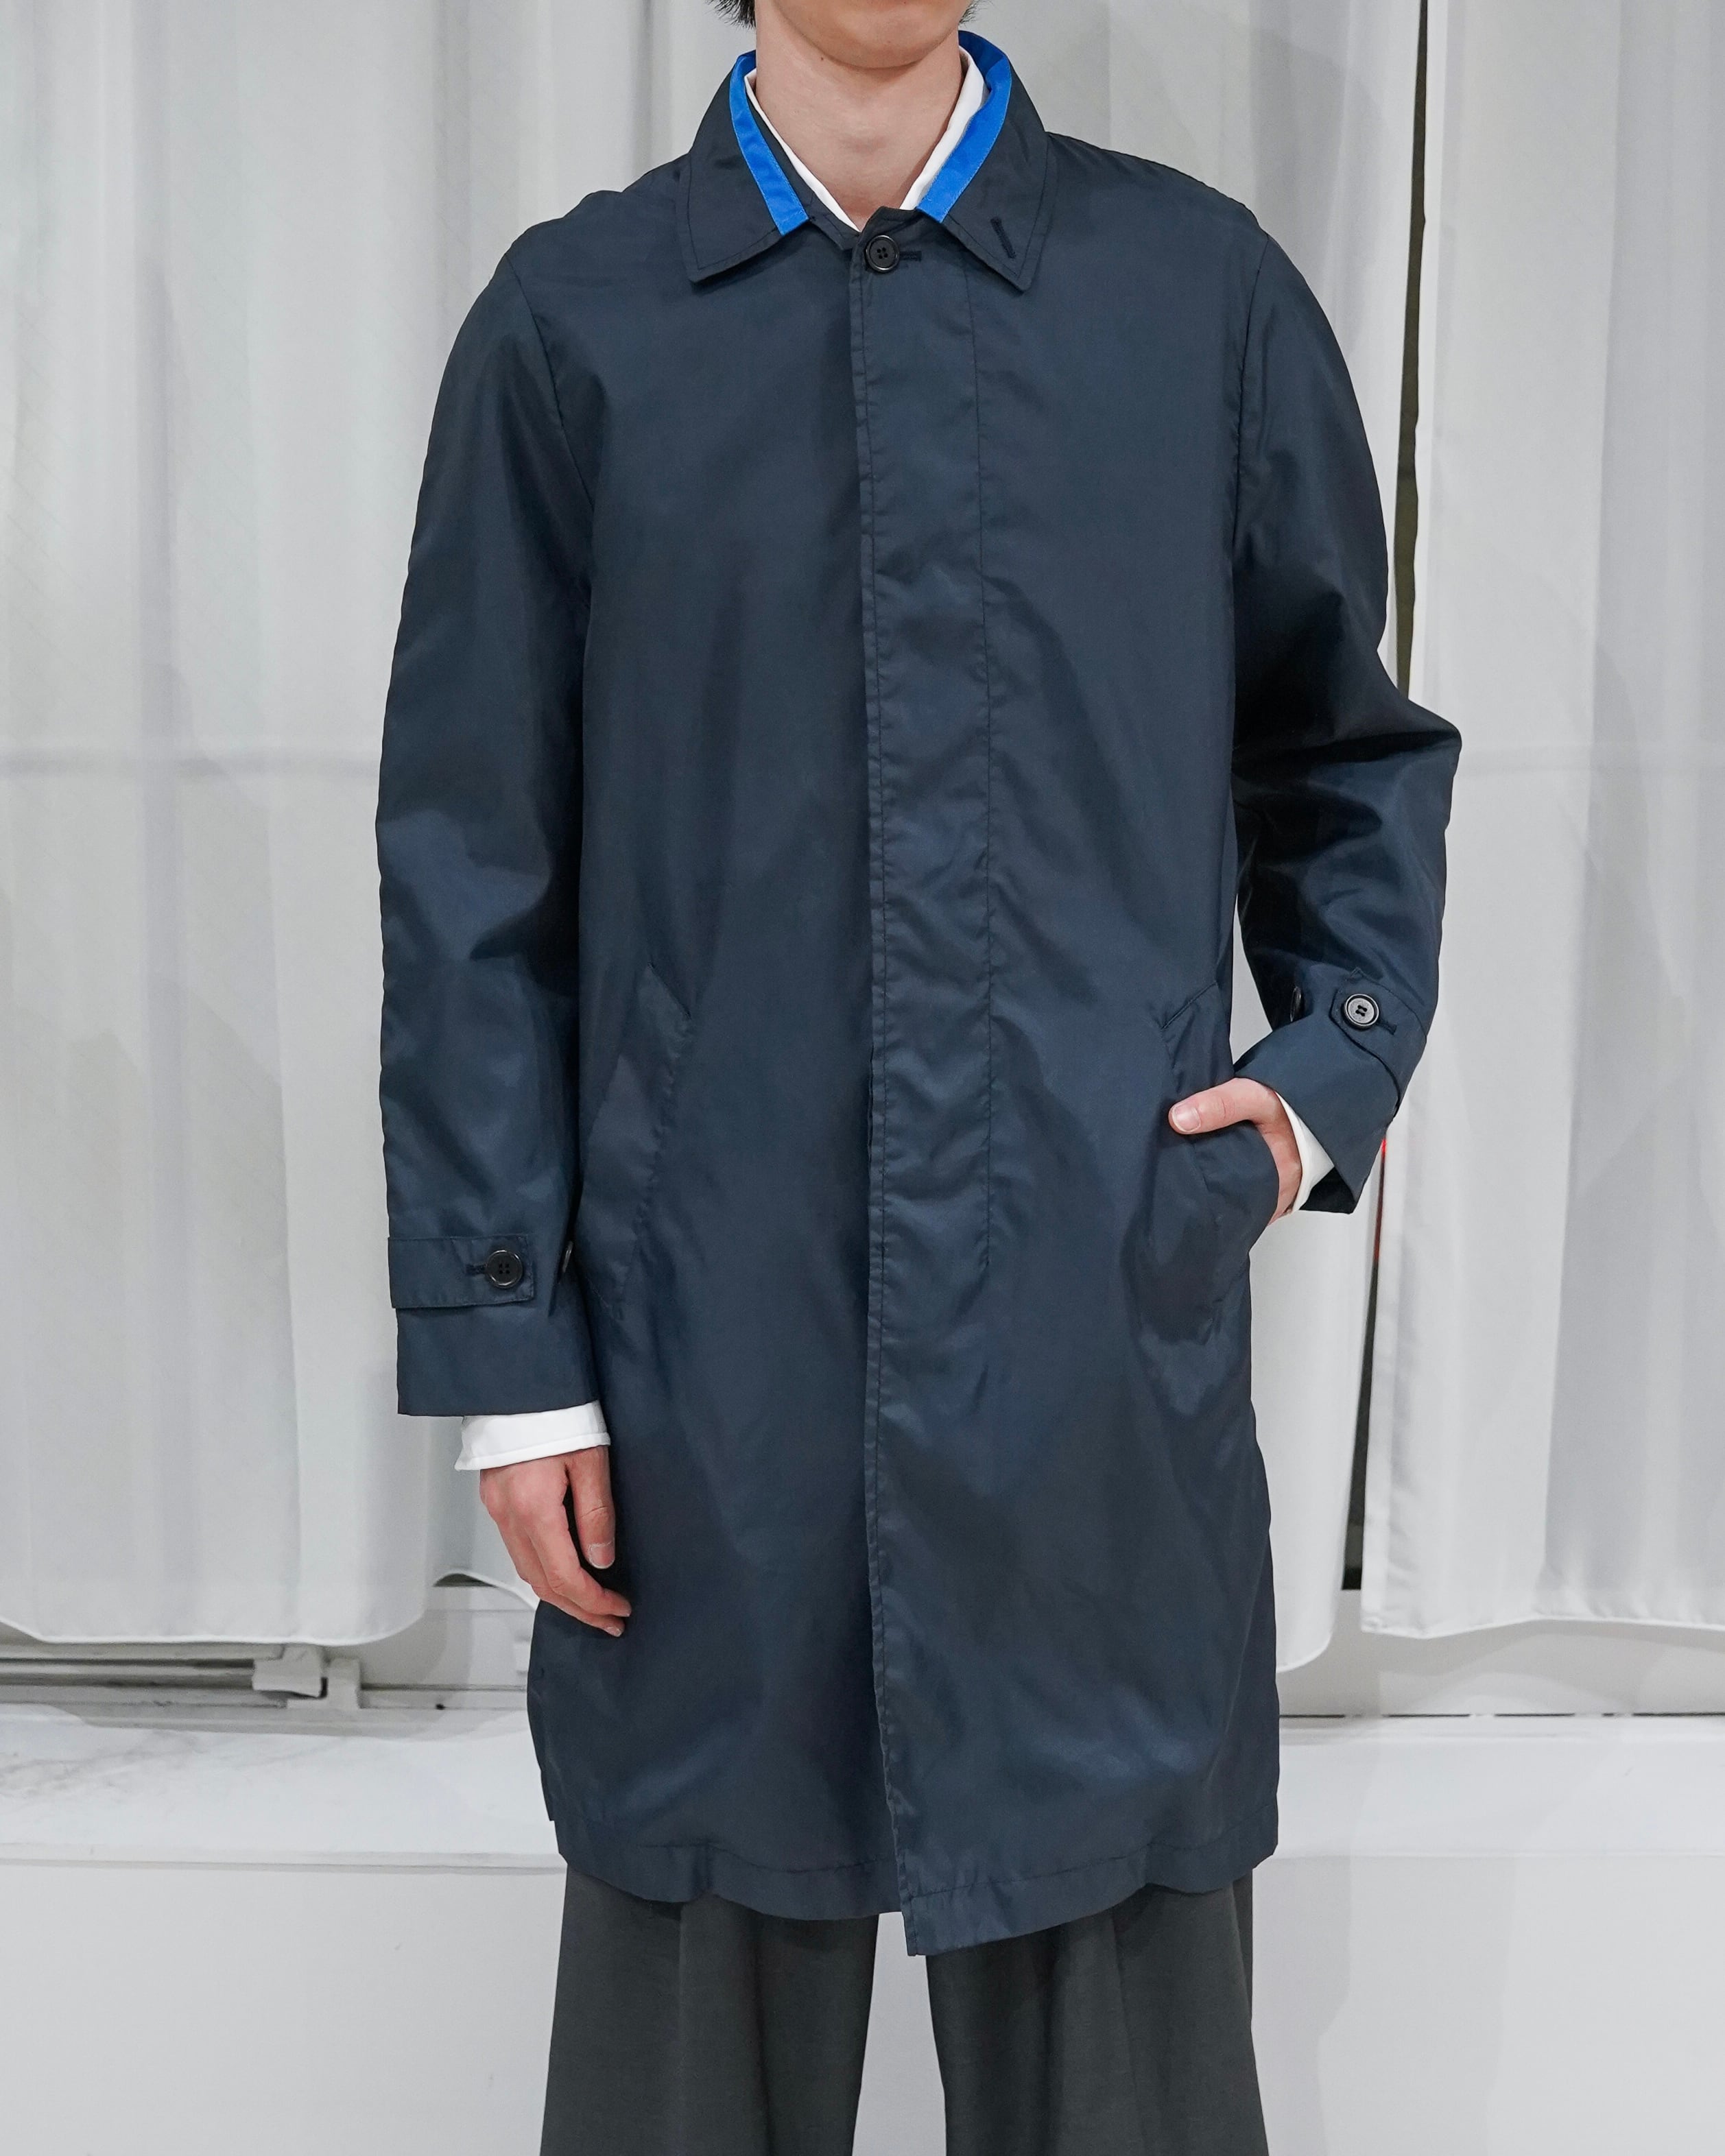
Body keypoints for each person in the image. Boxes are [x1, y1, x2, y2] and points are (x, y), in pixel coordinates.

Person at [376, 1, 1459, 2148]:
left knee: (1115, 1990)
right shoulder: (579, 321)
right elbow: (474, 864)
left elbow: (1345, 750)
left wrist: (1308, 1094)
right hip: (701, 1344)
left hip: (1084, 1316)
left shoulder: (1192, 294)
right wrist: (517, 1357)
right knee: (692, 1994)